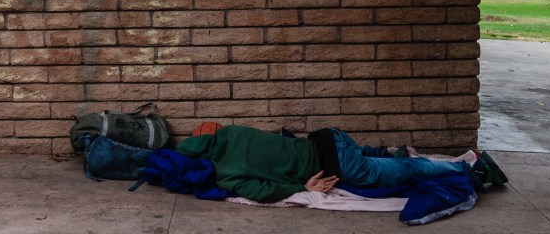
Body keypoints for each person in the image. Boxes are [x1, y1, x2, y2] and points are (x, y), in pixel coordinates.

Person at [173, 124, 507, 204]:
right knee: (369, 158)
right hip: (327, 137)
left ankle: (472, 170)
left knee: (404, 173)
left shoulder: (224, 176)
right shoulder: (229, 132)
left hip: (339, 164)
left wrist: (301, 188)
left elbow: (262, 191)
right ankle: (390, 154)